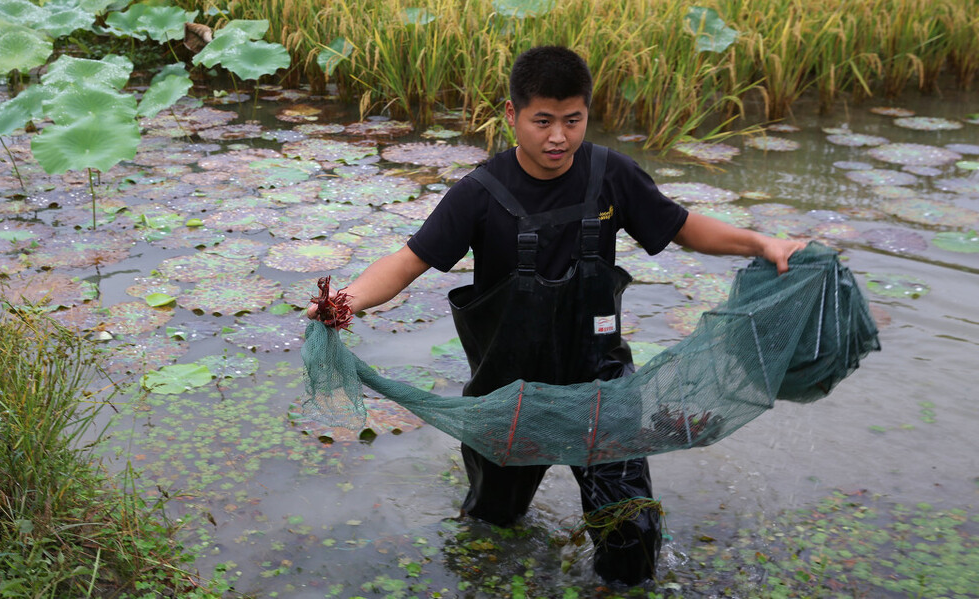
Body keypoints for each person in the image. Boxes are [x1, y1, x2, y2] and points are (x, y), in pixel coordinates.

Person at [307, 45, 805, 585]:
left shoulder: (611, 175)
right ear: (512, 115)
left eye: (573, 120)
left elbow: (682, 226)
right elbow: (408, 262)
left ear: (588, 112)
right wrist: (346, 300)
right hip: (510, 400)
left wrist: (762, 243)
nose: (558, 137)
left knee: (631, 542)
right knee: (491, 531)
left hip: (602, 390)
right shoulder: (479, 194)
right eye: (542, 121)